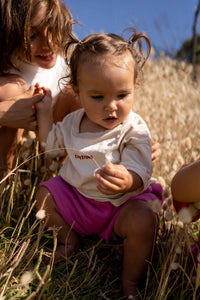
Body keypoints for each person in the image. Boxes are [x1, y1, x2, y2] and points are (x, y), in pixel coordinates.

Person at [35, 29, 163, 299]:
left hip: (119, 209)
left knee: (144, 220)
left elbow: (142, 167)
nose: (111, 107)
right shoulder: (72, 122)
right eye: (98, 97)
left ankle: (130, 283)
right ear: (78, 92)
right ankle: (68, 239)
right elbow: (50, 147)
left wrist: (129, 178)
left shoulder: (134, 128)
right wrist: (45, 113)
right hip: (78, 201)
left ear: (134, 88)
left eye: (122, 95)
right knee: (44, 195)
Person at [0, 0, 81, 179]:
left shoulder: (64, 69)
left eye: (53, 28)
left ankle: (62, 178)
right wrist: (4, 113)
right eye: (31, 36)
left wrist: (129, 138)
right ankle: (5, 183)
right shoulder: (8, 70)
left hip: (47, 153)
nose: (48, 43)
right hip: (11, 161)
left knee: (80, 91)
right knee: (11, 91)